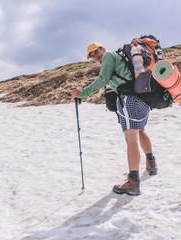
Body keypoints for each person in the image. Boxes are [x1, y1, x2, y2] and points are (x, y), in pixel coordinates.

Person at [72, 42, 157, 196]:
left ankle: (133, 182)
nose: (95, 56)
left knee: (131, 139)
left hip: (129, 99)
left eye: (96, 52)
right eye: (92, 55)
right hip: (141, 96)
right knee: (140, 131)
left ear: (102, 49)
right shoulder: (116, 58)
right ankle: (151, 163)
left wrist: (83, 93)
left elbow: (102, 79)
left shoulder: (109, 56)